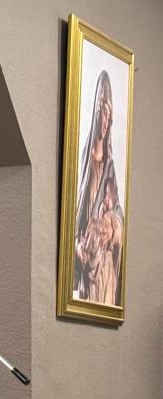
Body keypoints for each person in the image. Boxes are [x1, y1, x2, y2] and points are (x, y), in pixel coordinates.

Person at [73, 70, 124, 307]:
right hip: (87, 261)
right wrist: (77, 245)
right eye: (103, 111)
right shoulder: (83, 161)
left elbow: (117, 214)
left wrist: (108, 227)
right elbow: (75, 218)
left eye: (109, 114)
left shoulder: (110, 166)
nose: (106, 120)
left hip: (104, 266)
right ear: (96, 112)